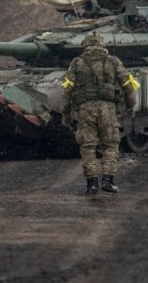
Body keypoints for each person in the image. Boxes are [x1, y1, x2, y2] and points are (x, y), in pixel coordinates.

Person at [60, 32, 140, 194]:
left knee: (88, 146)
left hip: (85, 110)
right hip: (108, 109)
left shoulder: (77, 63)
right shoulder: (113, 61)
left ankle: (92, 184)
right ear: (103, 46)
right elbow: (127, 84)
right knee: (110, 145)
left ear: (86, 46)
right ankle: (108, 181)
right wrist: (131, 106)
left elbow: (67, 89)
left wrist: (66, 113)